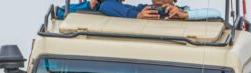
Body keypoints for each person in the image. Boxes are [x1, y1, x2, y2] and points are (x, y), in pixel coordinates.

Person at [57, 0, 221, 21]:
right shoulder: (142, 9)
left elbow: (216, 14)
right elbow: (108, 6)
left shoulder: (183, 11)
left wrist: (184, 15)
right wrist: (136, 16)